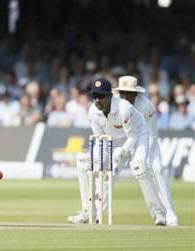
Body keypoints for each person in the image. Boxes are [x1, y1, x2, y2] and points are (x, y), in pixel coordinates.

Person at [68, 78, 166, 226]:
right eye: (94, 96)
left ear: (110, 96)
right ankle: (89, 212)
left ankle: (159, 214)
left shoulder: (124, 109)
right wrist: (101, 160)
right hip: (112, 140)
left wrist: (122, 152)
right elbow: (100, 140)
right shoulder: (93, 113)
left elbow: (132, 137)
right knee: (86, 163)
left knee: (139, 167)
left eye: (101, 96)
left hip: (138, 136)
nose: (97, 100)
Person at [114, 76, 178, 225]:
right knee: (112, 172)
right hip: (126, 140)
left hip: (147, 142)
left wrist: (146, 156)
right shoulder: (115, 103)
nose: (124, 96)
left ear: (135, 94)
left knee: (157, 171)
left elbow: (152, 134)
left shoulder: (146, 106)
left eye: (128, 93)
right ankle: (94, 212)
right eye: (122, 92)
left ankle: (169, 213)